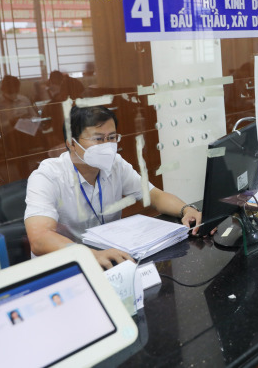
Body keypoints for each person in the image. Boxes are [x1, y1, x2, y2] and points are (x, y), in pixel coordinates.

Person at [24, 105, 204, 269]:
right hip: (66, 269)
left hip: (110, 261)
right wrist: (90, 255)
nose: (107, 146)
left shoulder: (116, 164)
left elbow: (154, 196)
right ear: (71, 143)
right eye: (98, 139)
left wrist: (186, 209)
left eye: (111, 138)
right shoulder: (47, 176)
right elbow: (39, 238)